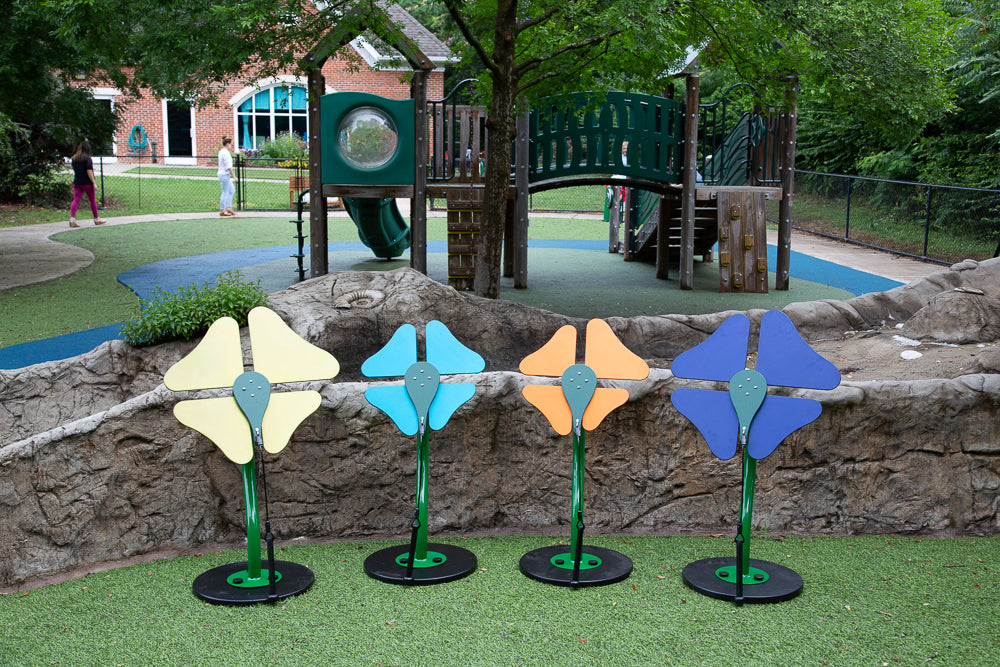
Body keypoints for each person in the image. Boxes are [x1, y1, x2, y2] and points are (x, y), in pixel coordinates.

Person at [69, 142, 104, 227]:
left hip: (77, 182)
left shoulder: (74, 159)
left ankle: (72, 219)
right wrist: (94, 183)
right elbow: (89, 171)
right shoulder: (87, 159)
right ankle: (96, 219)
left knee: (76, 200)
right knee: (92, 200)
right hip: (87, 183)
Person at [217, 136, 236, 216]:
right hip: (224, 174)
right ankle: (222, 210)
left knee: (231, 190)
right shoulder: (225, 153)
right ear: (227, 144)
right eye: (231, 144)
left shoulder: (221, 151)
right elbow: (228, 166)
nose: (232, 146)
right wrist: (234, 176)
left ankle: (229, 207)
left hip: (223, 174)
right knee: (225, 192)